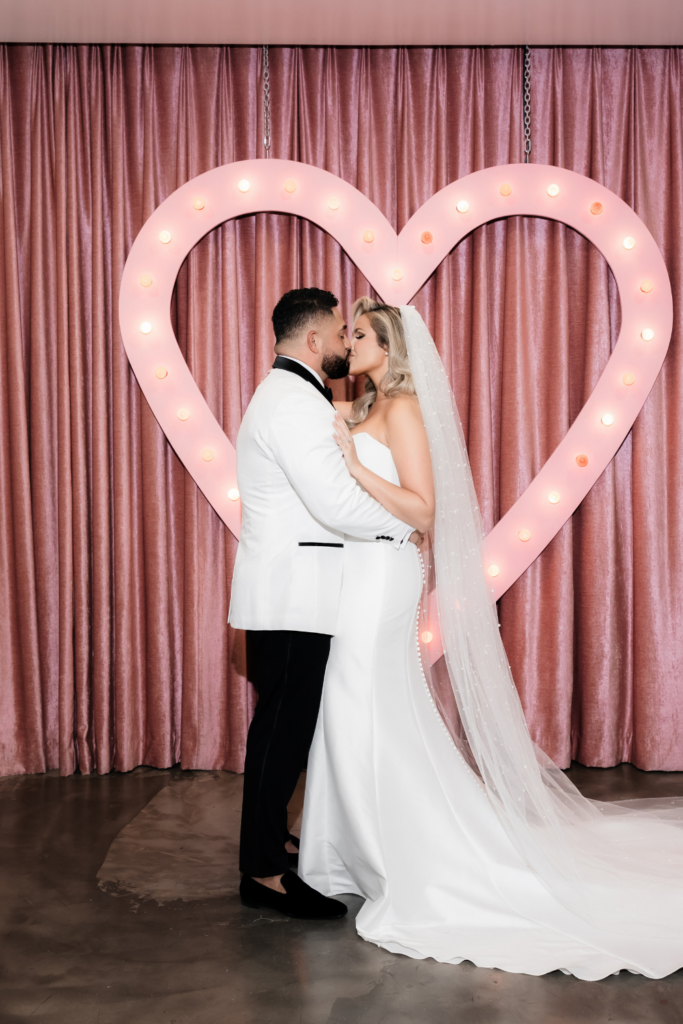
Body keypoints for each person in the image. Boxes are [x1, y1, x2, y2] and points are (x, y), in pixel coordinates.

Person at [299, 297, 683, 979]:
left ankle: (398, 854)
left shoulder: (405, 410)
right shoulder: (357, 407)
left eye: (357, 334)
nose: (345, 341)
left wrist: (353, 468)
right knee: (354, 705)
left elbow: (423, 507)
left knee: (365, 700)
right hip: (355, 573)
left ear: (387, 348)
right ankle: (350, 851)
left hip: (386, 575)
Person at [229, 288, 421, 921]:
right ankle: (261, 870)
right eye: (341, 332)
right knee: (282, 733)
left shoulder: (299, 397)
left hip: (299, 590)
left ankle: (270, 844)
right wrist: (403, 529)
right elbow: (333, 504)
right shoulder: (291, 403)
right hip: (295, 593)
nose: (345, 341)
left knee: (284, 728)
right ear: (314, 342)